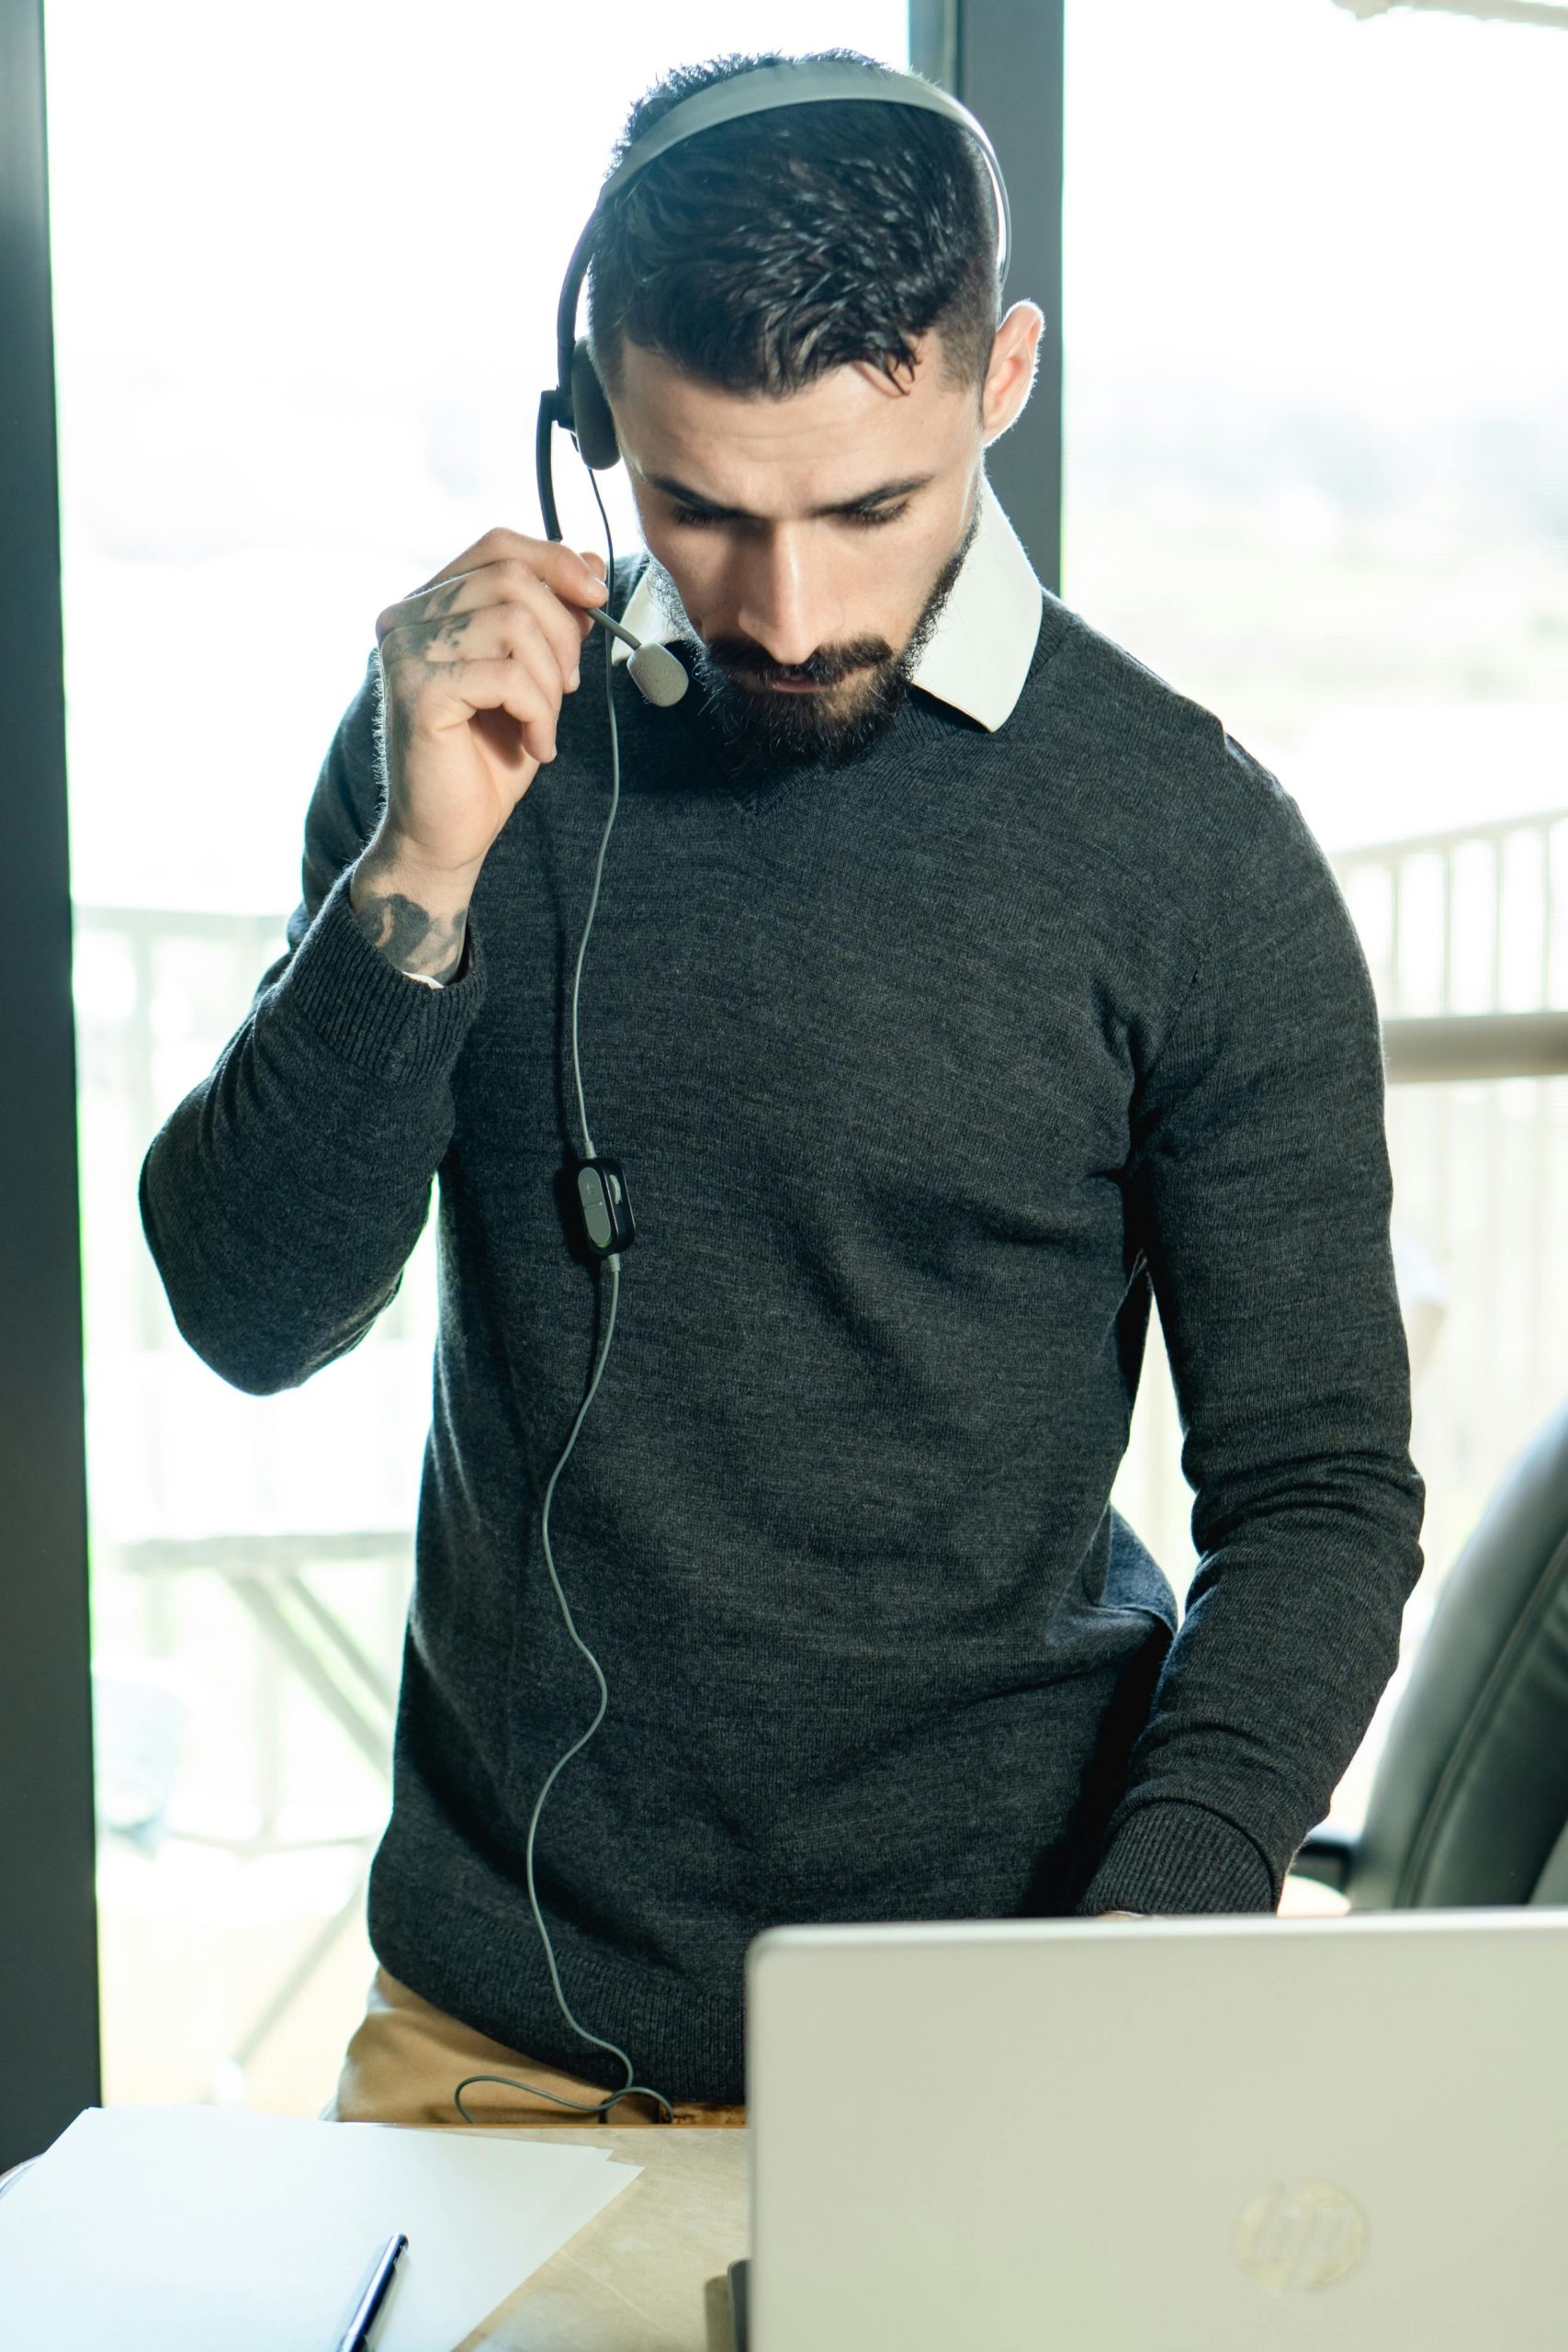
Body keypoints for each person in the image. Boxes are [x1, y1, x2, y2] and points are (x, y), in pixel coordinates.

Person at [140, 48, 1425, 2131]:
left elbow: (1318, 1497)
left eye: (869, 508)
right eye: (703, 510)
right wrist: (420, 869)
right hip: (492, 2046)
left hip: (1003, 2052)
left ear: (1002, 379)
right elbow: (250, 1315)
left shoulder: (1194, 848)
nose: (789, 612)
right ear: (590, 429)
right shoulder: (455, 752)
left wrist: (1156, 1928)